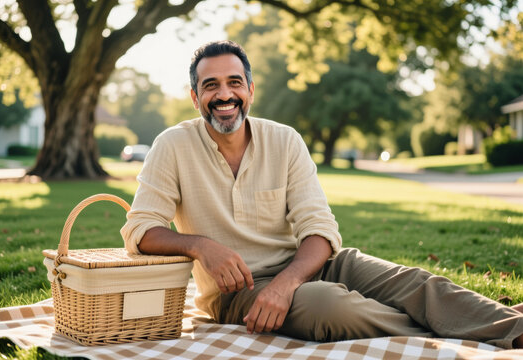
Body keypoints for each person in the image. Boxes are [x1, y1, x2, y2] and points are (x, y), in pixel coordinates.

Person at [121, 40, 523, 349]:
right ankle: (463, 329)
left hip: (308, 265)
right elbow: (140, 231)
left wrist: (287, 282)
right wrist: (201, 246)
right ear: (195, 97)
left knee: (414, 283)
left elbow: (318, 228)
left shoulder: (285, 140)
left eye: (234, 83)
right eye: (211, 86)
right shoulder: (171, 145)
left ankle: (511, 328)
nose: (224, 95)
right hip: (238, 292)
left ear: (250, 90)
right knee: (330, 307)